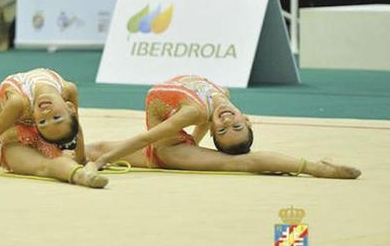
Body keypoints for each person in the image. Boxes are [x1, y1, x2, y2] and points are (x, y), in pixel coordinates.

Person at [85, 75, 361, 179]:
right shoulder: (222, 94)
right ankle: (47, 153)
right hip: (169, 146)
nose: (227, 121)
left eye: (222, 130)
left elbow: (145, 136)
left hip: (169, 152)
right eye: (235, 126)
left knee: (238, 164)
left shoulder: (194, 112)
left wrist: (100, 165)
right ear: (247, 118)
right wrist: (194, 139)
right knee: (93, 148)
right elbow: (203, 122)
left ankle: (317, 168)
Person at [0, 68, 107, 188]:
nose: (47, 114)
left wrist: (81, 158)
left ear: (71, 107)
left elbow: (76, 128)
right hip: (15, 126)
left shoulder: (68, 93)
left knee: (63, 153)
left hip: (39, 129)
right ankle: (80, 176)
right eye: (55, 118)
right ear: (69, 108)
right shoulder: (18, 102)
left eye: (47, 120)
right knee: (40, 165)